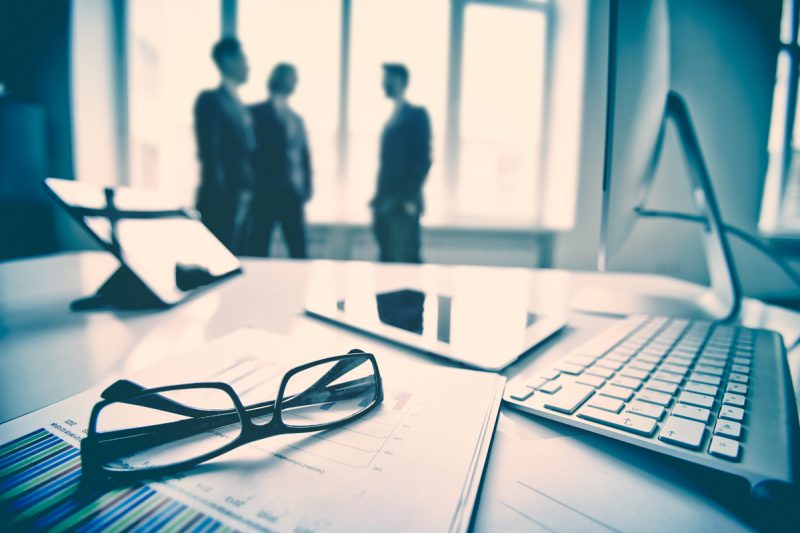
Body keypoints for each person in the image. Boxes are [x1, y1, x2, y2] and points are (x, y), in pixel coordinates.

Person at [193, 38, 255, 253]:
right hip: (223, 198)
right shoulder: (212, 100)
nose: (248, 66)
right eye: (243, 59)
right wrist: (223, 193)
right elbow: (209, 152)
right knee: (220, 257)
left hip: (243, 195)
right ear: (227, 61)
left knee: (239, 256)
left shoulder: (239, 105)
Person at [248, 64, 312, 258]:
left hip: (292, 194)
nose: (294, 82)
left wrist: (307, 188)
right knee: (258, 247)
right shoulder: (255, 113)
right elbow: (249, 153)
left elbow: (304, 157)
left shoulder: (297, 119)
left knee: (298, 251)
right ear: (278, 79)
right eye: (291, 77)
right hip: (264, 192)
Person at [371, 63, 432, 263]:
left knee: (406, 261)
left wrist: (407, 198)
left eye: (389, 79)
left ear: (401, 81)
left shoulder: (416, 115)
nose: (384, 84)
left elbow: (423, 159)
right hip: (384, 204)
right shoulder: (392, 118)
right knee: (387, 260)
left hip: (402, 206)